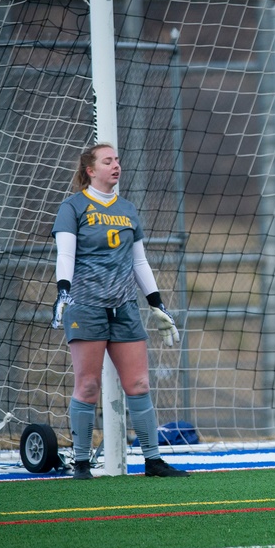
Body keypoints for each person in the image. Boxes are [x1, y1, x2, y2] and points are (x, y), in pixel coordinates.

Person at [51, 143, 189, 479]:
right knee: (87, 386)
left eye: (117, 160)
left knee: (139, 383)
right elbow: (66, 255)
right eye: (107, 161)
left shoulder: (127, 208)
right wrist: (63, 291)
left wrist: (156, 303)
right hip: (86, 305)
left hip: (124, 307)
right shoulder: (73, 207)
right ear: (90, 170)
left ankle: (153, 461)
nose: (116, 165)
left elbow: (139, 260)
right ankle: (81, 463)